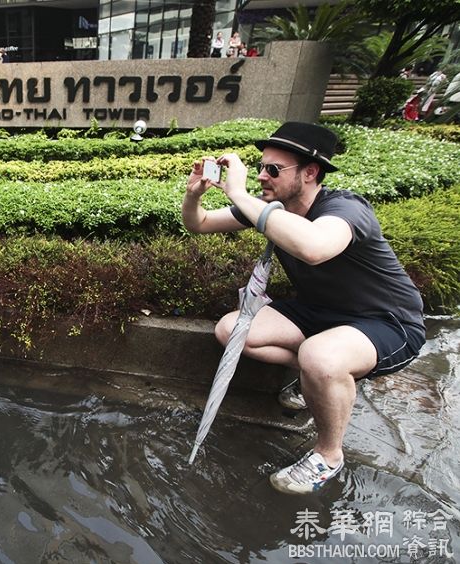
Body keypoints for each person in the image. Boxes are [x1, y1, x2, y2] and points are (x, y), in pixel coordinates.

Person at [182, 122, 425, 495]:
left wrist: (239, 193)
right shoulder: (270, 207)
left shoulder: (345, 208)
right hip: (319, 311)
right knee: (231, 331)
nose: (263, 176)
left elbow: (313, 247)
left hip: (386, 321)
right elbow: (198, 224)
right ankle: (318, 376)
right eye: (261, 167)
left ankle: (328, 454)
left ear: (310, 173)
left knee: (321, 357)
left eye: (273, 170)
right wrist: (194, 195)